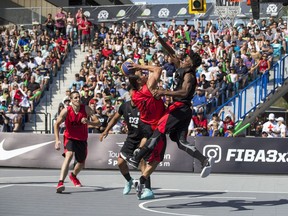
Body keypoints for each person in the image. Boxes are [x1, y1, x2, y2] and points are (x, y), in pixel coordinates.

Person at [127, 26, 212, 181]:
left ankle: (137, 156)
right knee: (180, 142)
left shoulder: (190, 76)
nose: (184, 59)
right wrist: (158, 38)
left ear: (192, 64)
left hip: (179, 107)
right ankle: (205, 161)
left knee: (159, 130)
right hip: (184, 111)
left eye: (188, 59)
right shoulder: (181, 67)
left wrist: (164, 92)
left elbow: (185, 93)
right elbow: (170, 51)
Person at [99, 87, 156, 199]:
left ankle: (148, 189)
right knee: (120, 162)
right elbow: (115, 118)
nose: (134, 93)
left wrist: (141, 147)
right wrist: (105, 131)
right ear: (129, 93)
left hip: (143, 138)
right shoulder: (124, 106)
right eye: (132, 91)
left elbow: (148, 130)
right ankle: (129, 181)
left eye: (137, 92)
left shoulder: (143, 107)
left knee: (143, 163)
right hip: (131, 138)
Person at [126, 63, 167, 199]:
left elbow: (142, 80)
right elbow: (158, 69)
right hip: (157, 126)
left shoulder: (135, 95)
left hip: (145, 125)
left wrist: (135, 73)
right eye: (141, 75)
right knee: (157, 159)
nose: (143, 74)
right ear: (138, 81)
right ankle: (143, 180)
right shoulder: (148, 87)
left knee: (149, 157)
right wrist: (140, 65)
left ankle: (140, 154)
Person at [54, 91, 100, 193]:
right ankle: (60, 182)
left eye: (79, 97)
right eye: (75, 98)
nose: (78, 99)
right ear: (71, 100)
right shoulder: (66, 111)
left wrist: (89, 122)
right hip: (69, 137)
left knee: (81, 163)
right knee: (69, 155)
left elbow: (98, 123)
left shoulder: (86, 109)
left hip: (82, 139)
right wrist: (57, 140)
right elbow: (56, 124)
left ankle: (73, 175)